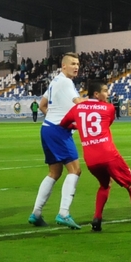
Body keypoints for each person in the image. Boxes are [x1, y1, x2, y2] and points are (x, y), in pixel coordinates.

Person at [59, 81, 131, 232]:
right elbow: (106, 124)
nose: (108, 94)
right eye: (105, 91)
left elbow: (63, 124)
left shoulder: (77, 108)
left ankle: (97, 219)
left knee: (104, 184)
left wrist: (78, 126)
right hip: (109, 155)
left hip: (91, 159)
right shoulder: (109, 108)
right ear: (96, 94)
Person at [29, 52, 84, 229]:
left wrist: (53, 118)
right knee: (75, 170)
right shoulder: (66, 82)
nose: (76, 67)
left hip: (47, 128)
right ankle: (64, 213)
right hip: (59, 131)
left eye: (78, 64)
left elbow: (43, 105)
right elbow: (79, 103)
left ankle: (36, 213)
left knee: (54, 172)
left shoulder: (55, 81)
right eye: (73, 63)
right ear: (64, 66)